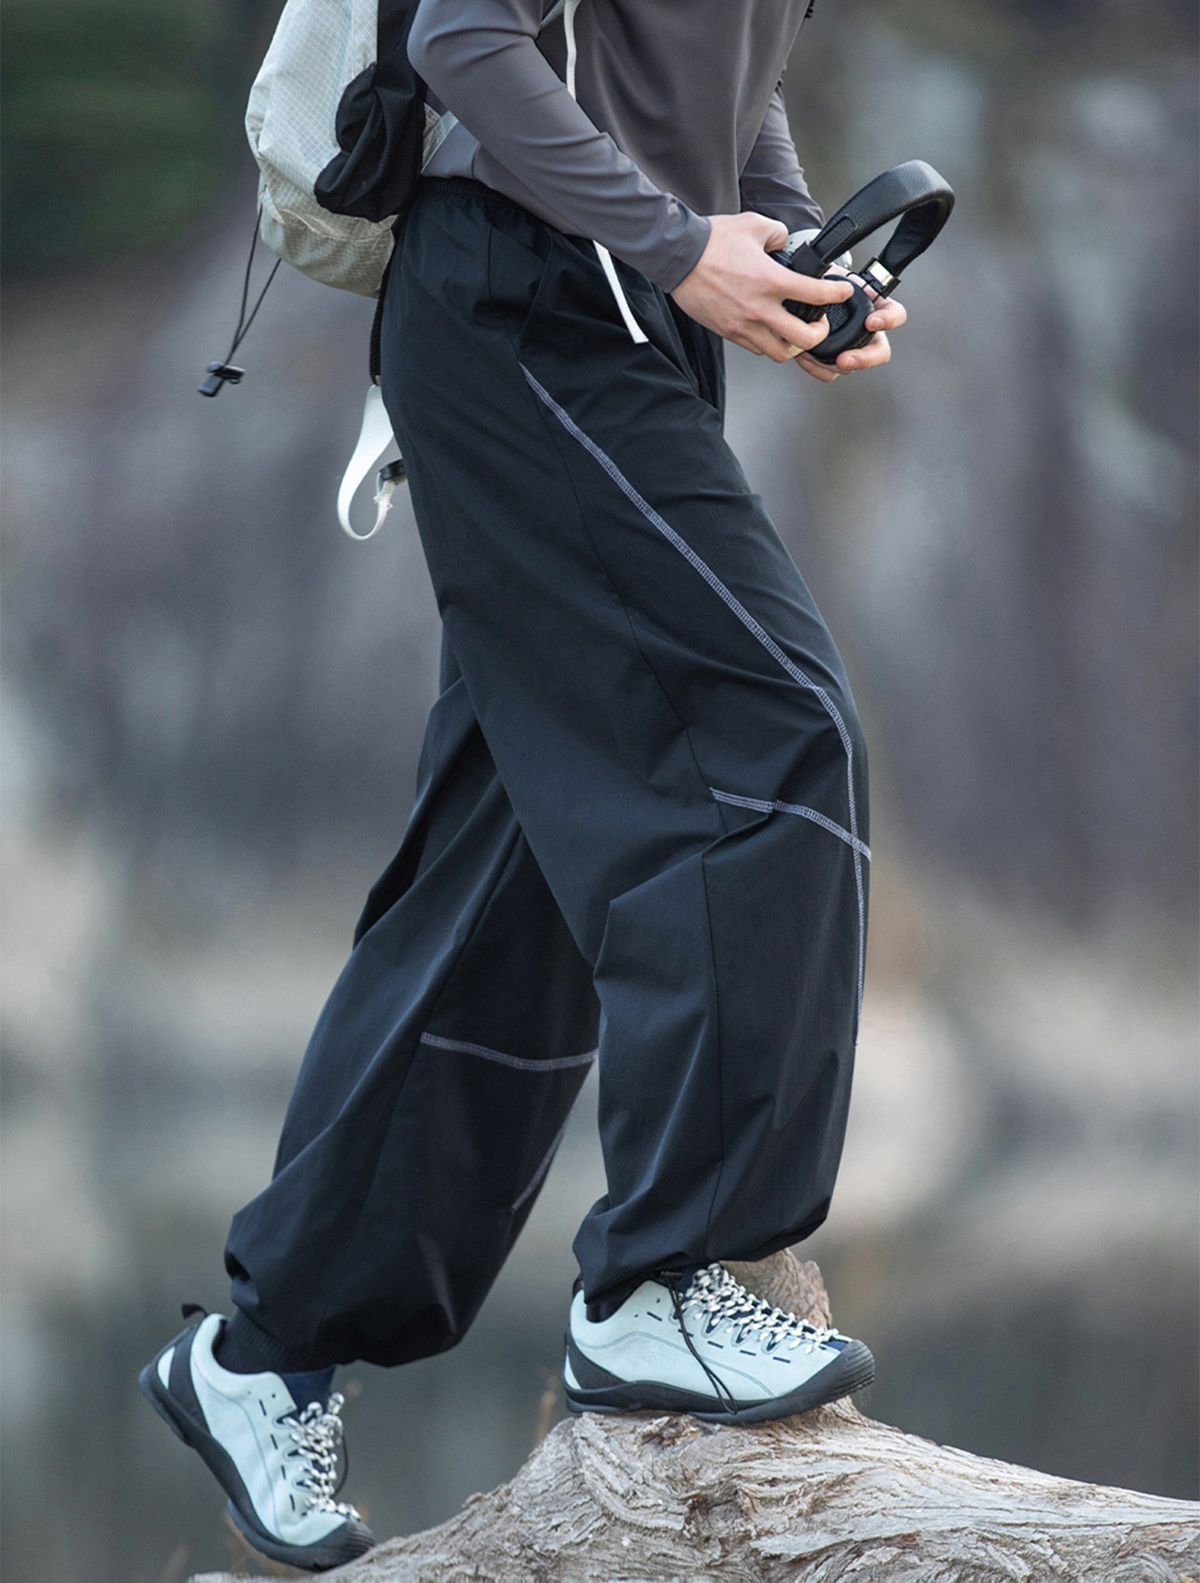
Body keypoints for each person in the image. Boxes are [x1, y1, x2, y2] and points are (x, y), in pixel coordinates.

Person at [138, 0, 908, 1569]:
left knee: (506, 878)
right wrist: (678, 245)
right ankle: (668, 1281)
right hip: (521, 300)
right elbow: (464, 37)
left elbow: (727, 74)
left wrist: (783, 240)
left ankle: (266, 1353)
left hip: (622, 313)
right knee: (771, 735)